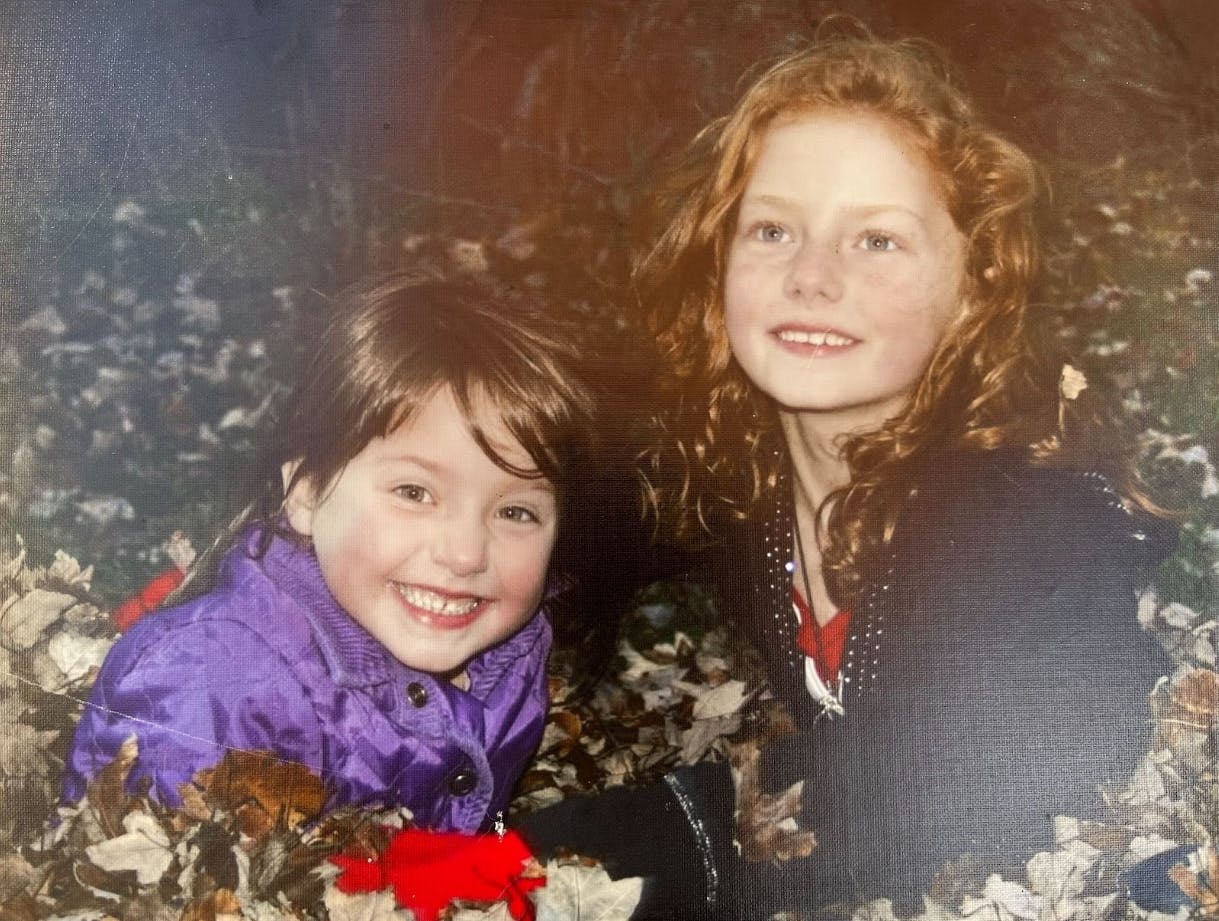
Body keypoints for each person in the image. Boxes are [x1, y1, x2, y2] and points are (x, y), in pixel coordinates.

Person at [516, 22, 1175, 919]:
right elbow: (550, 516)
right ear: (718, 261)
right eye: (774, 229)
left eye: (877, 241)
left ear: (972, 285)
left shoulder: (1027, 517)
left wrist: (538, 861)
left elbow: (916, 797)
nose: (812, 277)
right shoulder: (744, 469)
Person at [63, 272, 608, 833]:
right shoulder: (214, 680)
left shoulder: (512, 651)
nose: (467, 553)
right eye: (414, 493)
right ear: (306, 494)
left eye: (516, 512)